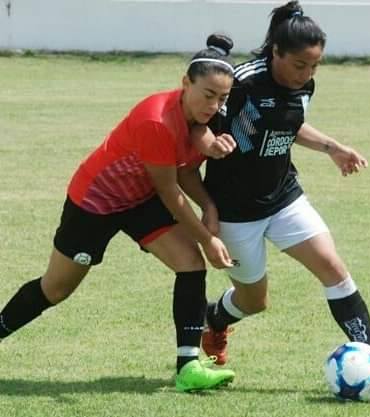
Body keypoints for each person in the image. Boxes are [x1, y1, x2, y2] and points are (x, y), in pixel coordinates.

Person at [192, 2, 370, 386]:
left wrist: (334, 147)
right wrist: (208, 203)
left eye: (314, 66)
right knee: (254, 301)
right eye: (300, 65)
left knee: (334, 269)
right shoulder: (241, 83)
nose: (307, 75)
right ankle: (215, 321)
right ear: (275, 52)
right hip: (235, 211)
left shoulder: (304, 86)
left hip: (283, 197)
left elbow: (289, 124)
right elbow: (195, 128)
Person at [0, 34, 238, 393]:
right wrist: (208, 238)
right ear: (185, 83)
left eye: (222, 98)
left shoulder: (202, 118)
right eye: (208, 95)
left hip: (139, 200)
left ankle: (188, 367)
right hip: (95, 203)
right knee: (57, 288)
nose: (214, 106)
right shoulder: (157, 121)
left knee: (190, 262)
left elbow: (186, 168)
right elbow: (170, 192)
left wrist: (209, 206)